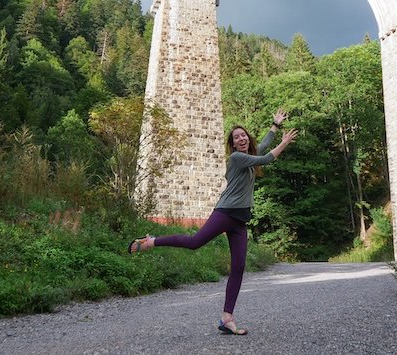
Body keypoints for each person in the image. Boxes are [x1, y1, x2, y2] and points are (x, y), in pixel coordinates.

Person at [127, 109, 298, 336]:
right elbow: (266, 158)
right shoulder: (237, 159)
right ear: (233, 145)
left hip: (239, 221)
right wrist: (284, 142)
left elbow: (263, 148)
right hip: (225, 213)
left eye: (244, 135)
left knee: (238, 267)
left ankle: (227, 318)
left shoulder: (248, 157)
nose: (242, 138)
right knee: (194, 242)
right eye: (237, 137)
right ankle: (152, 241)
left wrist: (275, 126)